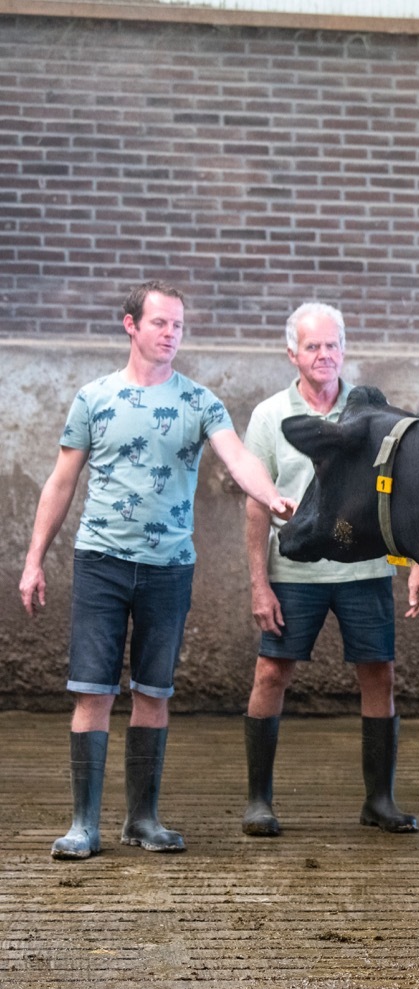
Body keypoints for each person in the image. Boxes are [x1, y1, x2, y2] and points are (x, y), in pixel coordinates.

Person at [20, 280, 296, 860]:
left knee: (153, 691)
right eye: (160, 323)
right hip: (101, 562)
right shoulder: (93, 397)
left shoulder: (200, 401)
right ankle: (83, 824)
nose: (171, 334)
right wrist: (33, 559)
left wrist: (272, 497)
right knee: (92, 691)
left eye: (178, 326)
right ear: (131, 326)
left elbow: (239, 456)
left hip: (169, 568)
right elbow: (62, 481)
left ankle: (142, 819)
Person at [240, 301, 419, 837]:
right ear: (292, 353)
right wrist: (259, 584)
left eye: (332, 345)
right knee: (271, 673)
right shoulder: (269, 416)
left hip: (365, 569)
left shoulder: (373, 414)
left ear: (344, 348)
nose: (324, 355)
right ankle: (259, 801)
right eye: (312, 346)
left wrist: (416, 565)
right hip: (294, 573)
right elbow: (257, 503)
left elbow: (398, 493)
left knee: (378, 674)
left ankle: (379, 801)